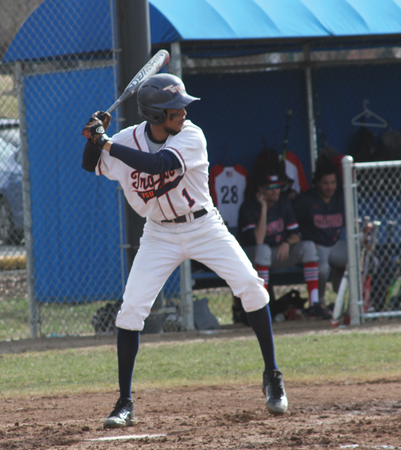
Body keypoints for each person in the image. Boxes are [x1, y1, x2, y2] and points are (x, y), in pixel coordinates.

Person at [81, 73, 288, 428]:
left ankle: (272, 375)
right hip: (159, 233)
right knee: (130, 311)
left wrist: (105, 142)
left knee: (252, 287)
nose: (184, 111)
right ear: (156, 115)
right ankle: (124, 402)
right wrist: (94, 137)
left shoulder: (192, 135)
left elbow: (158, 164)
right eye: (175, 108)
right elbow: (90, 164)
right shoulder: (127, 138)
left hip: (203, 225)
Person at [237, 170, 329, 319]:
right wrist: (264, 208)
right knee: (264, 249)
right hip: (253, 256)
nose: (276, 191)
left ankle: (314, 304)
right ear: (261, 190)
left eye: (278, 187)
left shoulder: (284, 203)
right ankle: (263, 306)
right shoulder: (249, 207)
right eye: (271, 188)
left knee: (308, 247)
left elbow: (296, 234)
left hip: (278, 253)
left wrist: (287, 243)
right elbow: (259, 241)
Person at [292, 158, 348, 306]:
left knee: (363, 259)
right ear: (317, 183)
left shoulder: (341, 198)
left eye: (333, 182)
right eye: (325, 183)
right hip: (317, 246)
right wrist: (305, 240)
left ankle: (356, 301)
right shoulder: (306, 200)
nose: (330, 187)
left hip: (335, 245)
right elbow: (291, 225)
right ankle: (319, 303)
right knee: (322, 269)